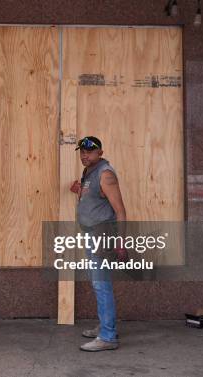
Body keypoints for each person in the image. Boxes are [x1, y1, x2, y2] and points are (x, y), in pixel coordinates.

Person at [70, 136, 127, 352]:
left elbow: (120, 210)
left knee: (101, 284)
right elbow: (94, 198)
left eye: (90, 151)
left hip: (102, 235)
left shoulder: (106, 174)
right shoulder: (89, 172)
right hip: (92, 234)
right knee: (99, 283)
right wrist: (80, 191)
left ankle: (108, 337)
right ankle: (106, 326)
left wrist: (121, 242)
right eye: (82, 151)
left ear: (100, 152)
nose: (85, 155)